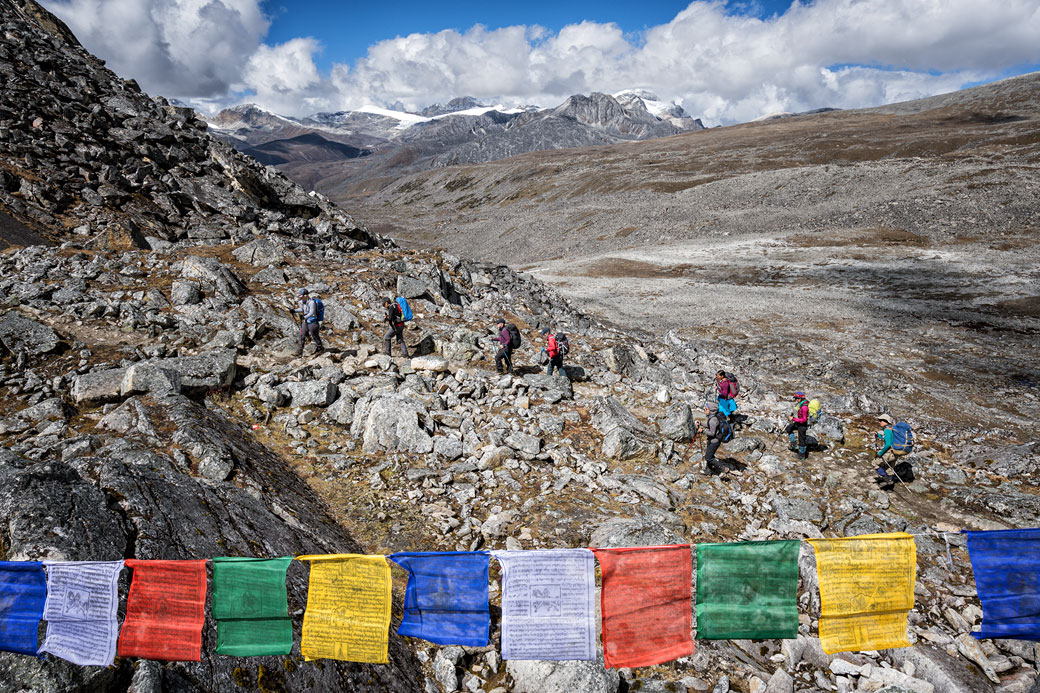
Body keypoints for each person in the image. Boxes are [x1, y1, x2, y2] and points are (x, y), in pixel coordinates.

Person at [696, 402, 728, 474]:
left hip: (714, 441)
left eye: (706, 409)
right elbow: (710, 426)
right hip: (713, 440)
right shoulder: (713, 417)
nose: (705, 410)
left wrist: (702, 431)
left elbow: (712, 433)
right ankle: (708, 471)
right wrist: (701, 423)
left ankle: (723, 469)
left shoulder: (713, 420)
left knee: (708, 458)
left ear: (711, 410)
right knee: (709, 455)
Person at [293, 288, 323, 357]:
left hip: (313, 322)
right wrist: (294, 310)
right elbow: (302, 309)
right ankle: (299, 351)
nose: (300, 297)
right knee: (301, 335)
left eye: (301, 296)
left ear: (306, 295)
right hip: (306, 322)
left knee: (315, 336)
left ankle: (320, 348)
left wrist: (304, 317)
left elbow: (312, 312)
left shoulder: (311, 302)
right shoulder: (303, 302)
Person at [785, 391, 809, 459]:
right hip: (798, 422)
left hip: (803, 424)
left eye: (797, 398)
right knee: (789, 428)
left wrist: (793, 419)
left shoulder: (804, 407)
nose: (796, 400)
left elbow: (804, 419)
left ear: (800, 398)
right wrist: (793, 415)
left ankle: (802, 455)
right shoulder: (800, 404)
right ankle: (793, 444)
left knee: (802, 439)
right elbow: (797, 411)